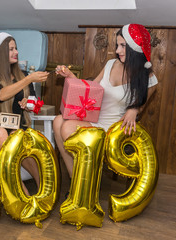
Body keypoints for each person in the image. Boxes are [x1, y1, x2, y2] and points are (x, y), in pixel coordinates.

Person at [53, 23, 158, 178]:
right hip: (94, 118)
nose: (117, 51)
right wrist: (70, 76)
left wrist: (134, 109)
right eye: (117, 45)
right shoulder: (110, 64)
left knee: (67, 127)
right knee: (57, 121)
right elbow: (91, 90)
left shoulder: (149, 78)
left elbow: (141, 105)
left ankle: (87, 178)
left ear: (135, 48)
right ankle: (75, 179)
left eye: (123, 46)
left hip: (113, 128)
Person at [0, 32, 49, 195]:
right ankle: (21, 194)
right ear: (0, 54)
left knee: (18, 137)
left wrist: (28, 104)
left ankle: (45, 191)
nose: (16, 52)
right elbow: (1, 95)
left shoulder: (22, 75)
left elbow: (34, 102)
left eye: (16, 48)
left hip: (19, 126)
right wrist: (28, 79)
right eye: (11, 49)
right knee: (0, 133)